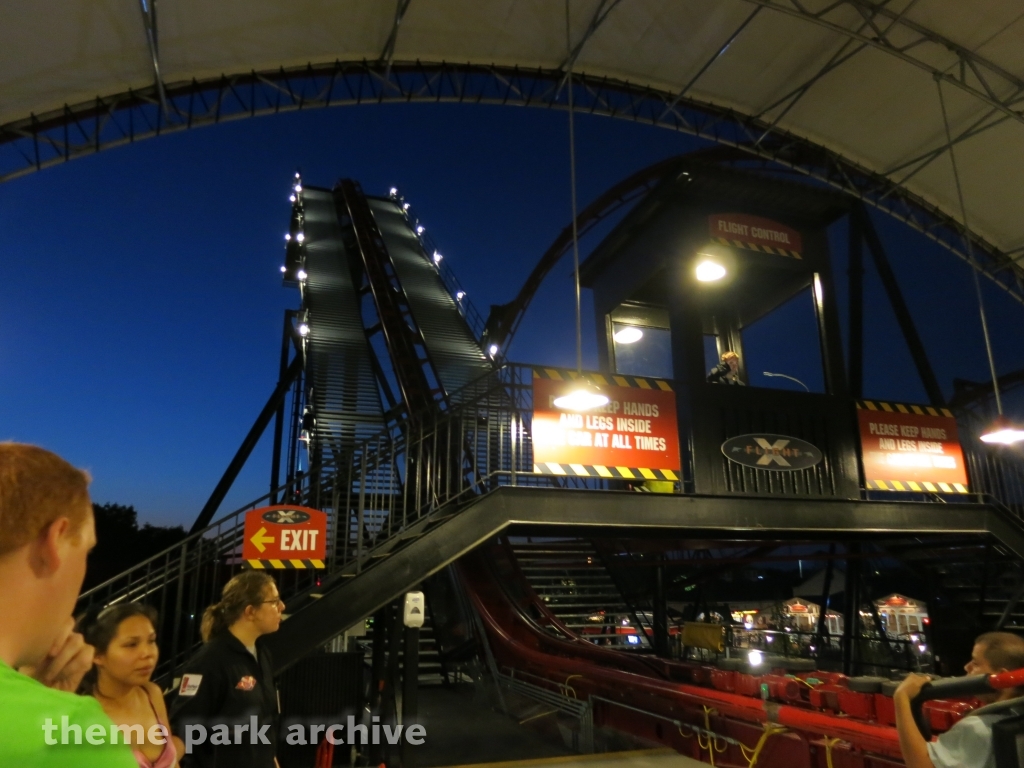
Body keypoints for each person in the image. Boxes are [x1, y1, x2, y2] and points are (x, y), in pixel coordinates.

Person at [0, 442, 136, 767]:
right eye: (86, 550)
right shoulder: (71, 733)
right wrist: (49, 710)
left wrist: (41, 697)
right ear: (55, 542)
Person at [170, 571, 285, 768]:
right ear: (250, 612)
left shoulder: (262, 654)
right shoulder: (209, 662)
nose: (282, 606)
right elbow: (183, 730)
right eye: (274, 601)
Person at [894, 631, 1024, 768]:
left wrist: (901, 698)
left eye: (975, 663)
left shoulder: (978, 728)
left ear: (1001, 676)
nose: (967, 667)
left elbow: (921, 765)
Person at [77, 603, 178, 767]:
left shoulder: (151, 694)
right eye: (131, 644)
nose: (148, 653)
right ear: (97, 655)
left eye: (151, 641)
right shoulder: (84, 713)